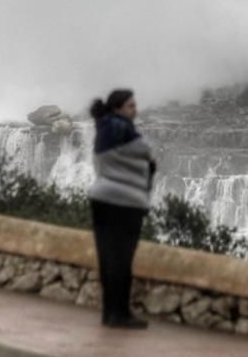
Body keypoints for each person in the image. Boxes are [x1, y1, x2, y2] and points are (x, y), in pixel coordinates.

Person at [88, 89, 157, 329]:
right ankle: (121, 314)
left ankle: (109, 312)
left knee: (107, 257)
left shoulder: (102, 129)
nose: (135, 110)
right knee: (122, 259)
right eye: (130, 106)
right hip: (126, 203)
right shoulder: (123, 130)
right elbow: (147, 152)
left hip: (100, 199)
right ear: (117, 108)